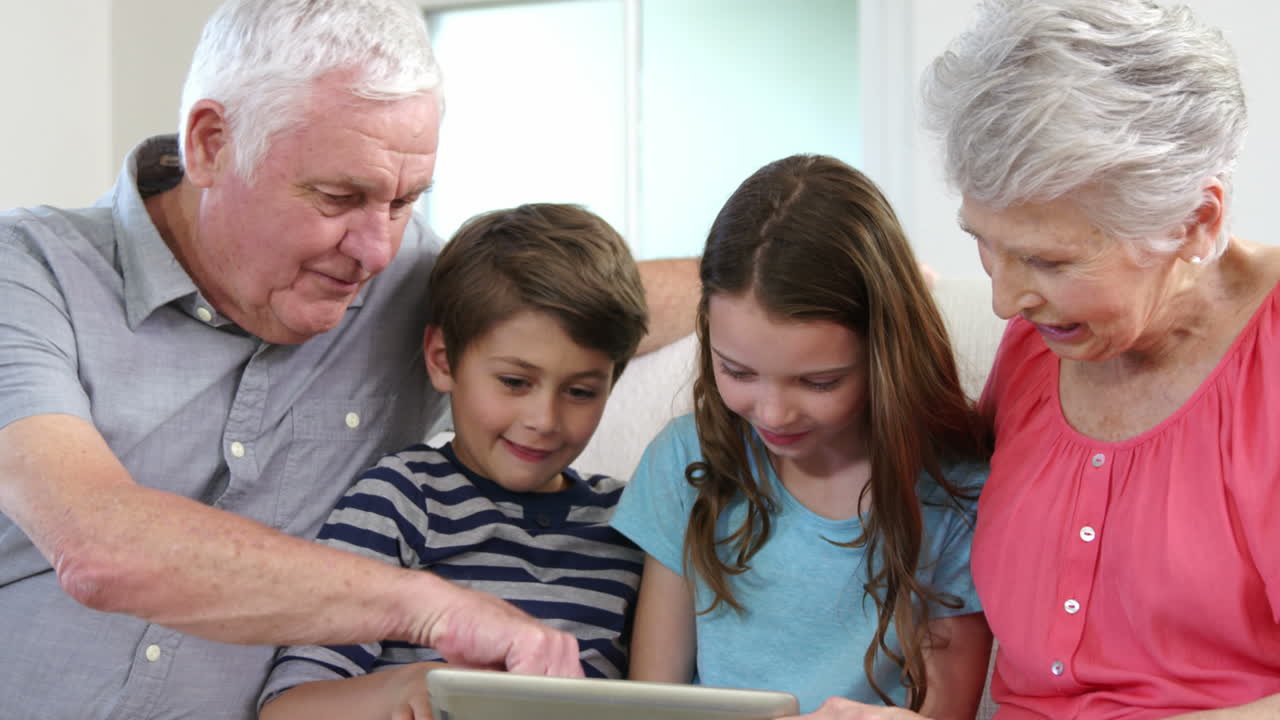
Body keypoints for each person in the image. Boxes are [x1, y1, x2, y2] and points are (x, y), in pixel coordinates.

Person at [0, 1, 695, 719]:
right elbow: (98, 545)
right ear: (210, 144)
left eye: (403, 202)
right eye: (338, 197)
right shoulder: (26, 274)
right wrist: (434, 612)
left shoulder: (399, 281)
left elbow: (564, 315)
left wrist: (772, 282)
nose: (378, 250)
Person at [913, 1, 1280, 718]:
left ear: (1195, 223)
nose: (1005, 300)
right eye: (984, 243)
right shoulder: (1043, 339)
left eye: (1047, 260)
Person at [610, 154, 993, 718]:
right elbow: (651, 704)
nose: (773, 413)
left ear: (885, 353)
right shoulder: (686, 460)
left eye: (818, 381)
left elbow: (943, 712)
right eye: (737, 372)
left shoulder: (953, 488)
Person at [257, 203, 648, 719]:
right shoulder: (402, 498)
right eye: (514, 382)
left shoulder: (630, 523)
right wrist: (407, 688)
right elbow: (288, 710)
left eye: (580, 391)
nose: (544, 419)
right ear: (443, 361)